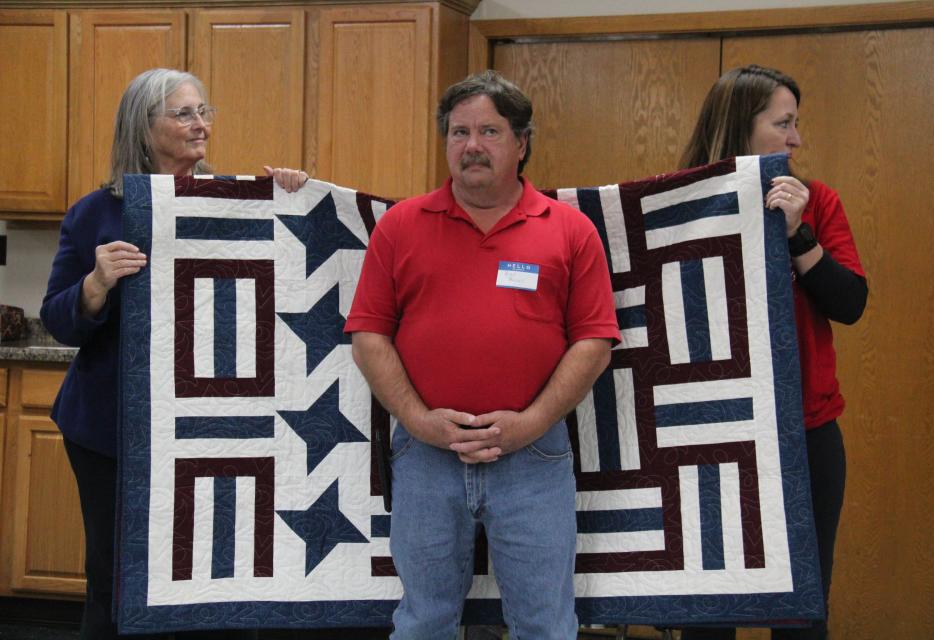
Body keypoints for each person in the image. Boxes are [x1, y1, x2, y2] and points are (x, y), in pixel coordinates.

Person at [344, 70, 621, 640]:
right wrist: (420, 422)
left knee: (545, 625)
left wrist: (532, 423)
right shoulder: (400, 226)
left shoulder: (569, 230)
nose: (471, 145)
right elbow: (369, 337)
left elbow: (593, 343)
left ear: (522, 144)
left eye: (490, 131)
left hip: (534, 458)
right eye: (458, 132)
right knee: (422, 623)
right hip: (425, 457)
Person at [40, 68, 307, 640]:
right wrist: (94, 285)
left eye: (204, 111)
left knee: (212, 576)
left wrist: (293, 198)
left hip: (213, 433)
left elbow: (289, 281)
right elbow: (58, 321)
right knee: (113, 577)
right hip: (112, 430)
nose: (201, 124)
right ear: (144, 126)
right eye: (184, 114)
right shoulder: (96, 213)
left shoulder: (234, 201)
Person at [678, 65, 868, 639]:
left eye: (796, 123)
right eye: (783, 123)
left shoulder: (819, 202)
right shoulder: (680, 203)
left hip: (806, 432)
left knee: (802, 608)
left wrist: (798, 234)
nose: (796, 139)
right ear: (742, 125)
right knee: (709, 608)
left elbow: (851, 302)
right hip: (710, 435)